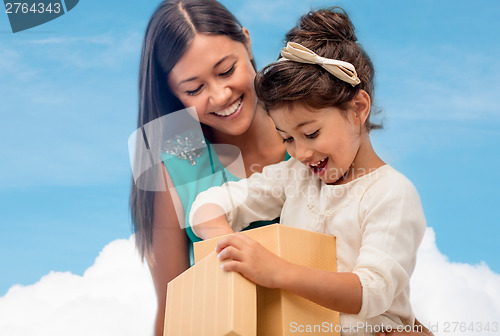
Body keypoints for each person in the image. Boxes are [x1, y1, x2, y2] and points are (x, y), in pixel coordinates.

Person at [189, 7, 430, 336]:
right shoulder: (295, 178)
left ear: (358, 108)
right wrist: (227, 244)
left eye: (312, 133)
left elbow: (371, 292)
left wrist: (276, 271)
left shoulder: (390, 194)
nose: (301, 153)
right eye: (286, 138)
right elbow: (212, 204)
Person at [129, 1, 287, 335]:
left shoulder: (310, 124)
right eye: (194, 89)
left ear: (246, 42)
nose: (219, 95)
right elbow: (173, 307)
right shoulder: (171, 164)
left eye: (227, 71)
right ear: (173, 92)